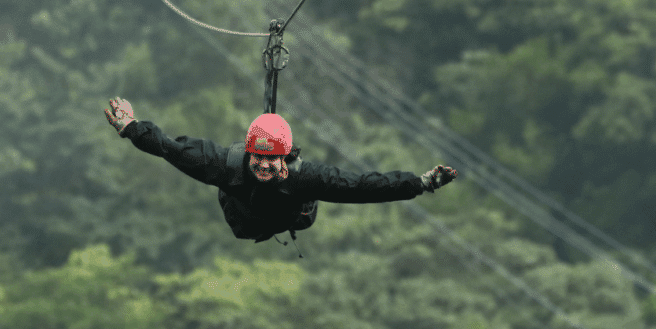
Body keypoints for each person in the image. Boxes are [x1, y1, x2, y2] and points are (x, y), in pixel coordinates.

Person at [104, 97, 458, 255]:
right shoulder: (225, 165)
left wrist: (420, 183)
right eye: (258, 158)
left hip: (290, 211)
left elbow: (363, 187)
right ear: (250, 153)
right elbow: (170, 148)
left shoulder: (306, 178)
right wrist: (131, 127)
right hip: (245, 216)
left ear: (285, 157)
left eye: (271, 160)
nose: (263, 165)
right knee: (224, 179)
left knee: (308, 199)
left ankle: (299, 206)